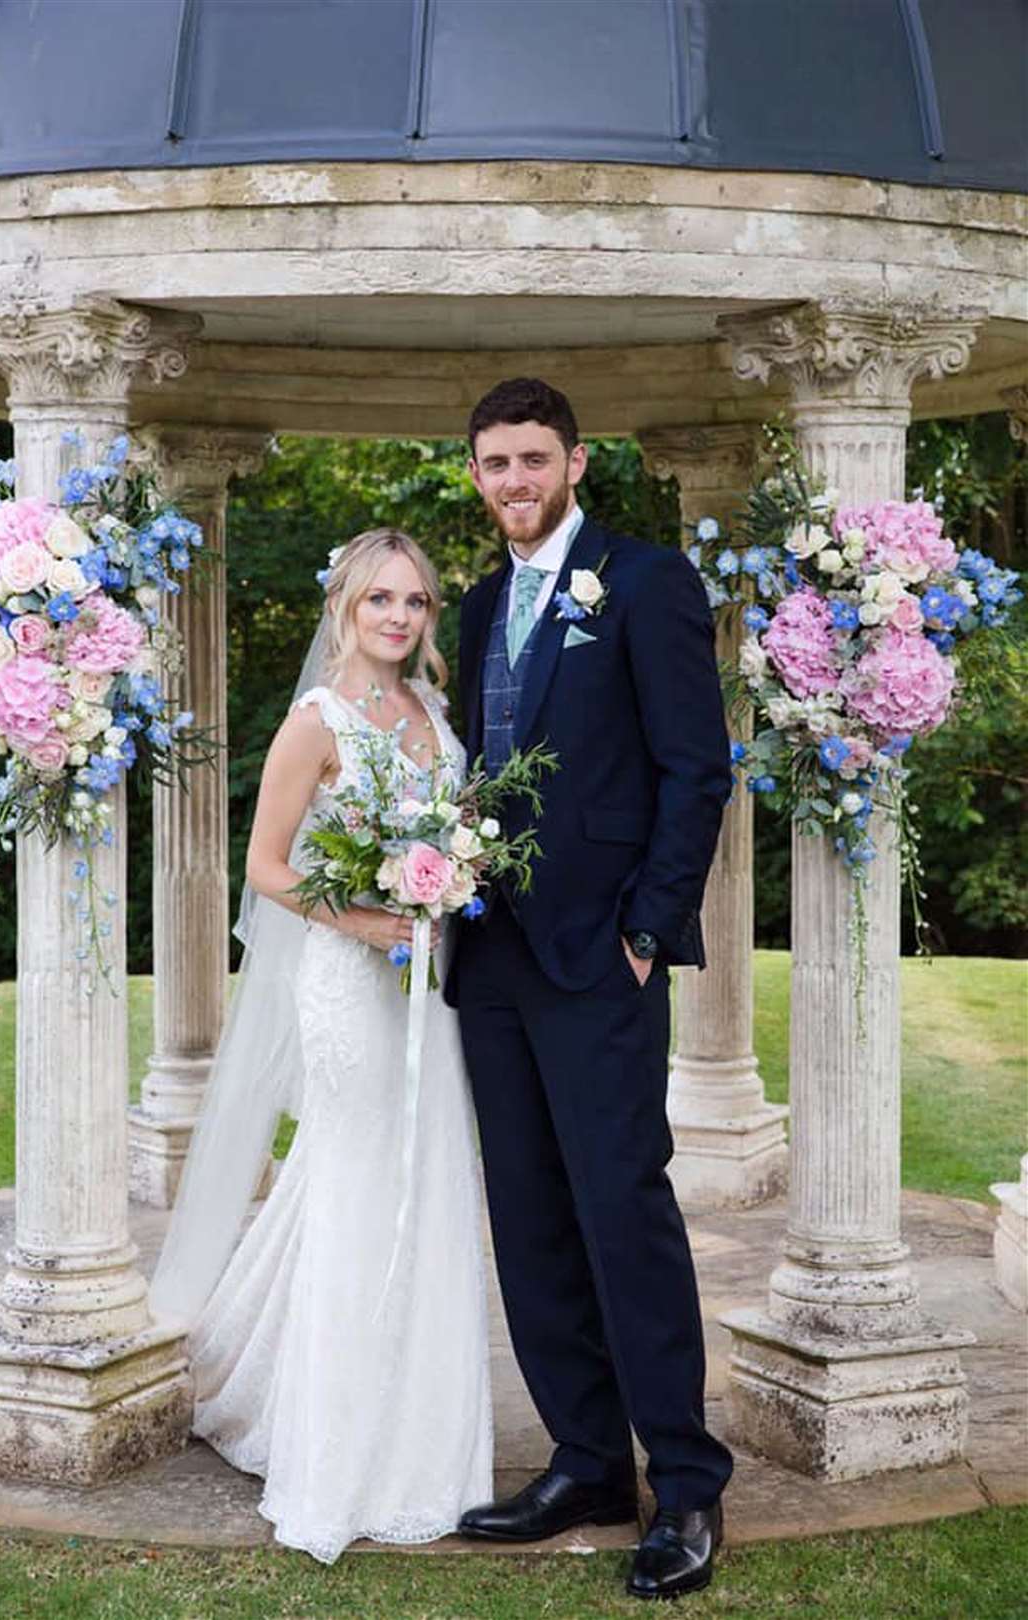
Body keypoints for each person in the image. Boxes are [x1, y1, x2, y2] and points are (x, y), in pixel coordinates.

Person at [149, 528, 492, 1564]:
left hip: (427, 988)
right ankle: (339, 1449)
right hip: (350, 985)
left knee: (428, 1180)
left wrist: (448, 879)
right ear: (345, 605)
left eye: (417, 602)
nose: (399, 617)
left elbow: (458, 829)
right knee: (354, 1183)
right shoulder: (317, 721)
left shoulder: (434, 711)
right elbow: (264, 866)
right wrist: (367, 917)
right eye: (380, 599)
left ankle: (425, 1437)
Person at [447, 378, 734, 1601]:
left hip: (601, 952)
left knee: (624, 1210)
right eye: (494, 464)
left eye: (532, 460)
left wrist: (650, 926)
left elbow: (695, 768)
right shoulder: (469, 608)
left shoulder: (647, 579)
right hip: (490, 954)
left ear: (575, 461)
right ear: (475, 475)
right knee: (530, 1215)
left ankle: (684, 1480)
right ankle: (584, 1461)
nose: (515, 481)